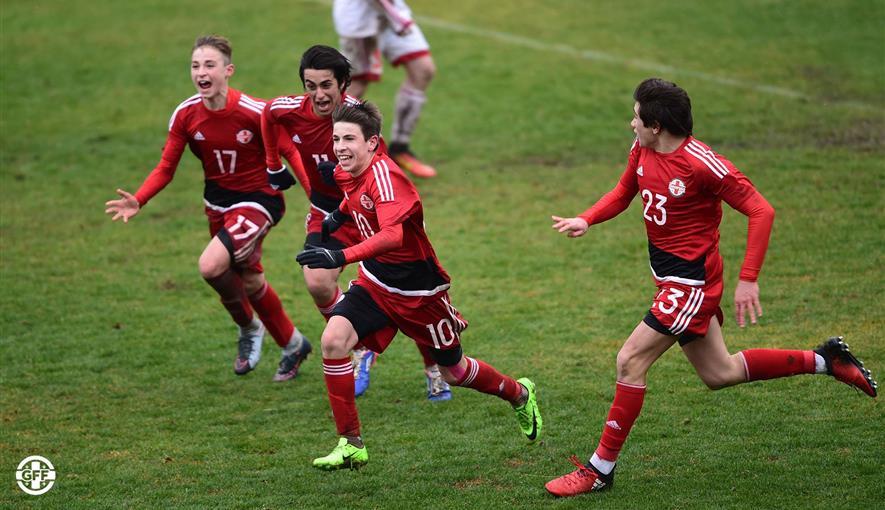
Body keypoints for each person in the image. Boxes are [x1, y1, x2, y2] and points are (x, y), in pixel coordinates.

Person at [544, 78, 878, 497]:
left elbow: (761, 209)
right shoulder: (643, 150)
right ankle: (826, 360)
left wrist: (749, 279)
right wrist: (587, 218)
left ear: (657, 125)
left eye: (636, 117)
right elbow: (624, 192)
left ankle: (600, 469)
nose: (631, 123)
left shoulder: (703, 164)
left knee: (629, 361)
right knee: (720, 373)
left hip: (690, 285)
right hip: (669, 279)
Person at [294, 102, 542, 469]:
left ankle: (520, 394)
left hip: (419, 293)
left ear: (373, 143)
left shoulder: (386, 178)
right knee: (333, 341)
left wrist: (340, 256)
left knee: (454, 373)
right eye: (336, 138)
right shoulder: (349, 170)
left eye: (349, 139)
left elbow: (393, 234)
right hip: (376, 283)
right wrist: (334, 219)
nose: (340, 147)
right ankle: (351, 443)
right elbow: (353, 198)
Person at [105, 35, 312, 382]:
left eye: (209, 65)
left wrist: (315, 198)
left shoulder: (254, 112)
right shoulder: (186, 114)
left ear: (228, 71)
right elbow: (166, 167)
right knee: (249, 279)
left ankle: (249, 328)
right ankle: (293, 345)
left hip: (259, 201)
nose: (201, 72)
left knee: (211, 265)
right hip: (217, 204)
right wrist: (138, 199)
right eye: (195, 65)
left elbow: (290, 151)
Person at [262, 44, 452, 400]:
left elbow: (380, 175)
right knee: (317, 281)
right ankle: (359, 345)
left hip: (372, 212)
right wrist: (273, 165)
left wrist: (337, 174)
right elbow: (268, 115)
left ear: (344, 84)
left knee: (410, 293)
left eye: (326, 86)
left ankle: (434, 369)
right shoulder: (290, 109)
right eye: (310, 85)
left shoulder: (358, 122)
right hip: (326, 211)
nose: (318, 94)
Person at [332, 0, 438, 178]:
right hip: (361, 19)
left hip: (391, 12)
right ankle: (330, 153)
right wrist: (398, 19)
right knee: (357, 84)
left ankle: (399, 149)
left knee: (423, 70)